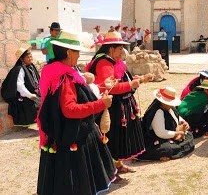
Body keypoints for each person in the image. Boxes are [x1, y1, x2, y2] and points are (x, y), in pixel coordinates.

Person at [36, 30, 116, 194]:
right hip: (73, 137)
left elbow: (80, 94)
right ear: (68, 52)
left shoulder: (55, 72)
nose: (79, 55)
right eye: (77, 51)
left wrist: (101, 88)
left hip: (62, 136)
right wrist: (101, 104)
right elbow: (70, 110)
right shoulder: (65, 77)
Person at [86, 31, 153, 173]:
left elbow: (122, 78)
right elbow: (112, 88)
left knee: (120, 138)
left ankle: (117, 165)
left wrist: (140, 78)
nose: (122, 51)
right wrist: (131, 85)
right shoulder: (104, 63)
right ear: (111, 49)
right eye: (120, 48)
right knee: (113, 138)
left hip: (120, 105)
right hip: (113, 107)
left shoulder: (115, 62)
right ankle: (110, 171)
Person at [139, 87, 195, 161]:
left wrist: (183, 122)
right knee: (167, 149)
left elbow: (176, 117)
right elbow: (160, 133)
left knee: (189, 136)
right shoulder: (158, 112)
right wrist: (176, 133)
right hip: (156, 138)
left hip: (170, 134)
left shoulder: (169, 108)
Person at [1, 44, 40, 126]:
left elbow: (36, 80)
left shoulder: (31, 67)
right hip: (20, 95)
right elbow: (20, 86)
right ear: (22, 59)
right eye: (28, 57)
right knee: (35, 104)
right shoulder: (19, 69)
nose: (30, 59)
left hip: (30, 93)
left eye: (31, 57)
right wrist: (30, 95)